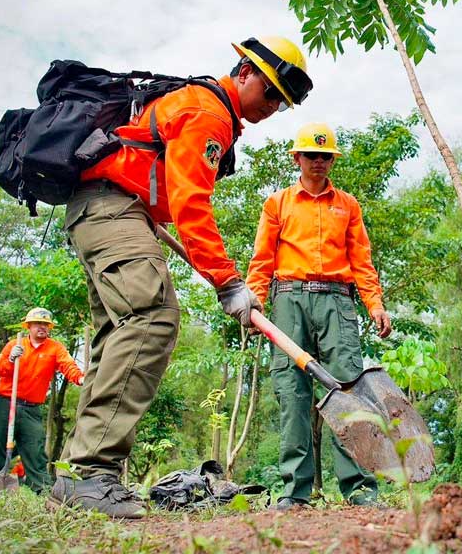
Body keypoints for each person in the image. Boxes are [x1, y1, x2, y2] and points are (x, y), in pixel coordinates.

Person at [50, 37, 312, 518]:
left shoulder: (203, 106)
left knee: (117, 331)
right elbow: (193, 205)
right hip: (112, 208)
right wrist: (229, 282)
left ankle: (77, 475)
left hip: (111, 210)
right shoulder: (209, 113)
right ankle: (91, 472)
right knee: (152, 317)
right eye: (270, 93)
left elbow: (169, 188)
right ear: (244, 72)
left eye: (282, 102)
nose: (273, 106)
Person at [246, 123, 391, 510]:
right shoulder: (277, 204)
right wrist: (255, 301)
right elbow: (262, 258)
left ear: (332, 161)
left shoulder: (348, 204)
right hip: (288, 301)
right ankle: (295, 492)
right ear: (297, 158)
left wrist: (374, 303)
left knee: (349, 389)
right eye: (312, 155)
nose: (319, 162)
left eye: (326, 156)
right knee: (292, 394)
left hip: (338, 304)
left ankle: (359, 488)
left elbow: (362, 260)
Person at [0, 308, 84, 493]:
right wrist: (12, 358)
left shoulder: (55, 348)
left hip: (31, 407)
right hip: (6, 401)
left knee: (35, 449)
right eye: (38, 323)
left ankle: (43, 491)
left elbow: (68, 365)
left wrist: (80, 378)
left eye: (46, 325)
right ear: (28, 326)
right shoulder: (15, 344)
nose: (42, 327)